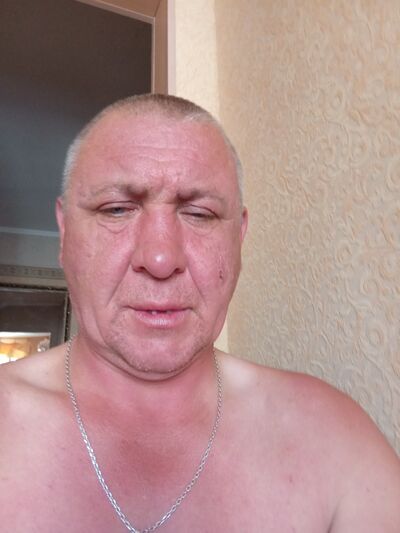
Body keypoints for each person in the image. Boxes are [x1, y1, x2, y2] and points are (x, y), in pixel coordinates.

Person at [1, 94, 399, 533]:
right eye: (116, 209)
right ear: (64, 233)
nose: (160, 259)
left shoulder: (332, 437)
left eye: (199, 214)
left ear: (239, 238)